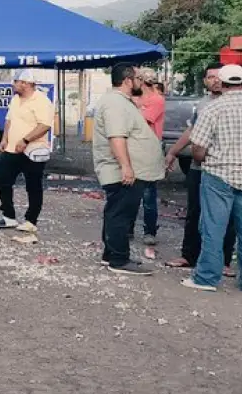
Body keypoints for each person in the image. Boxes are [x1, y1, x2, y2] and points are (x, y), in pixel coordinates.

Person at [92, 64, 164, 275]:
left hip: (126, 169)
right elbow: (117, 137)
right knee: (121, 214)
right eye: (138, 78)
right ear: (127, 80)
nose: (141, 82)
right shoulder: (115, 103)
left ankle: (111, 254)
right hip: (121, 171)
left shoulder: (121, 102)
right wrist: (126, 167)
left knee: (116, 212)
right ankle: (119, 260)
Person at [164, 63, 235, 273]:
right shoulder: (204, 105)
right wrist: (173, 152)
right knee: (194, 212)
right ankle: (189, 255)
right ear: (205, 81)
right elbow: (191, 132)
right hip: (200, 169)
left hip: (226, 170)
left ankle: (223, 262)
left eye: (217, 77)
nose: (214, 80)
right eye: (210, 77)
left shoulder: (232, 104)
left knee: (227, 216)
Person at [181, 64, 242, 292]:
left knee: (213, 228)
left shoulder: (213, 108)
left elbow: (198, 148)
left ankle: (207, 278)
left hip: (218, 175)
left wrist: (203, 159)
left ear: (222, 83)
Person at [0, 71, 54, 244]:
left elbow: (45, 125)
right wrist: (4, 139)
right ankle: (9, 215)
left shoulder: (41, 101)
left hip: (33, 150)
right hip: (11, 149)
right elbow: (9, 120)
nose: (13, 85)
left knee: (33, 185)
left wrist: (26, 140)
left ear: (25, 83)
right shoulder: (16, 99)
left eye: (16, 82)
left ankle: (31, 220)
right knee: (3, 180)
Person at [132, 69, 166, 245]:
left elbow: (143, 120)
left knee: (148, 193)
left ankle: (149, 231)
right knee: (130, 191)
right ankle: (128, 229)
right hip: (133, 147)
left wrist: (135, 106)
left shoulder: (157, 100)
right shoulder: (136, 99)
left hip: (149, 149)